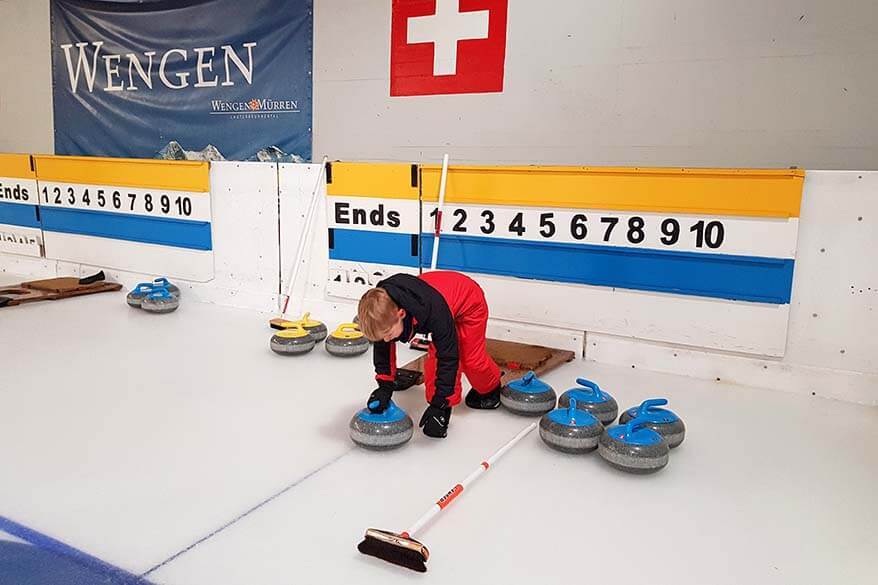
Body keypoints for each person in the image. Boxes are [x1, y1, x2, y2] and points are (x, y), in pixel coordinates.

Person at [357, 271, 502, 438]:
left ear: (401, 314)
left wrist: (441, 405)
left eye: (388, 333)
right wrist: (384, 387)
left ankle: (491, 389)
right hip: (442, 296)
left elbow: (447, 357)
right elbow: (383, 349)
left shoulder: (433, 310)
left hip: (469, 302)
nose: (387, 339)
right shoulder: (384, 307)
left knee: (470, 359)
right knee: (432, 362)